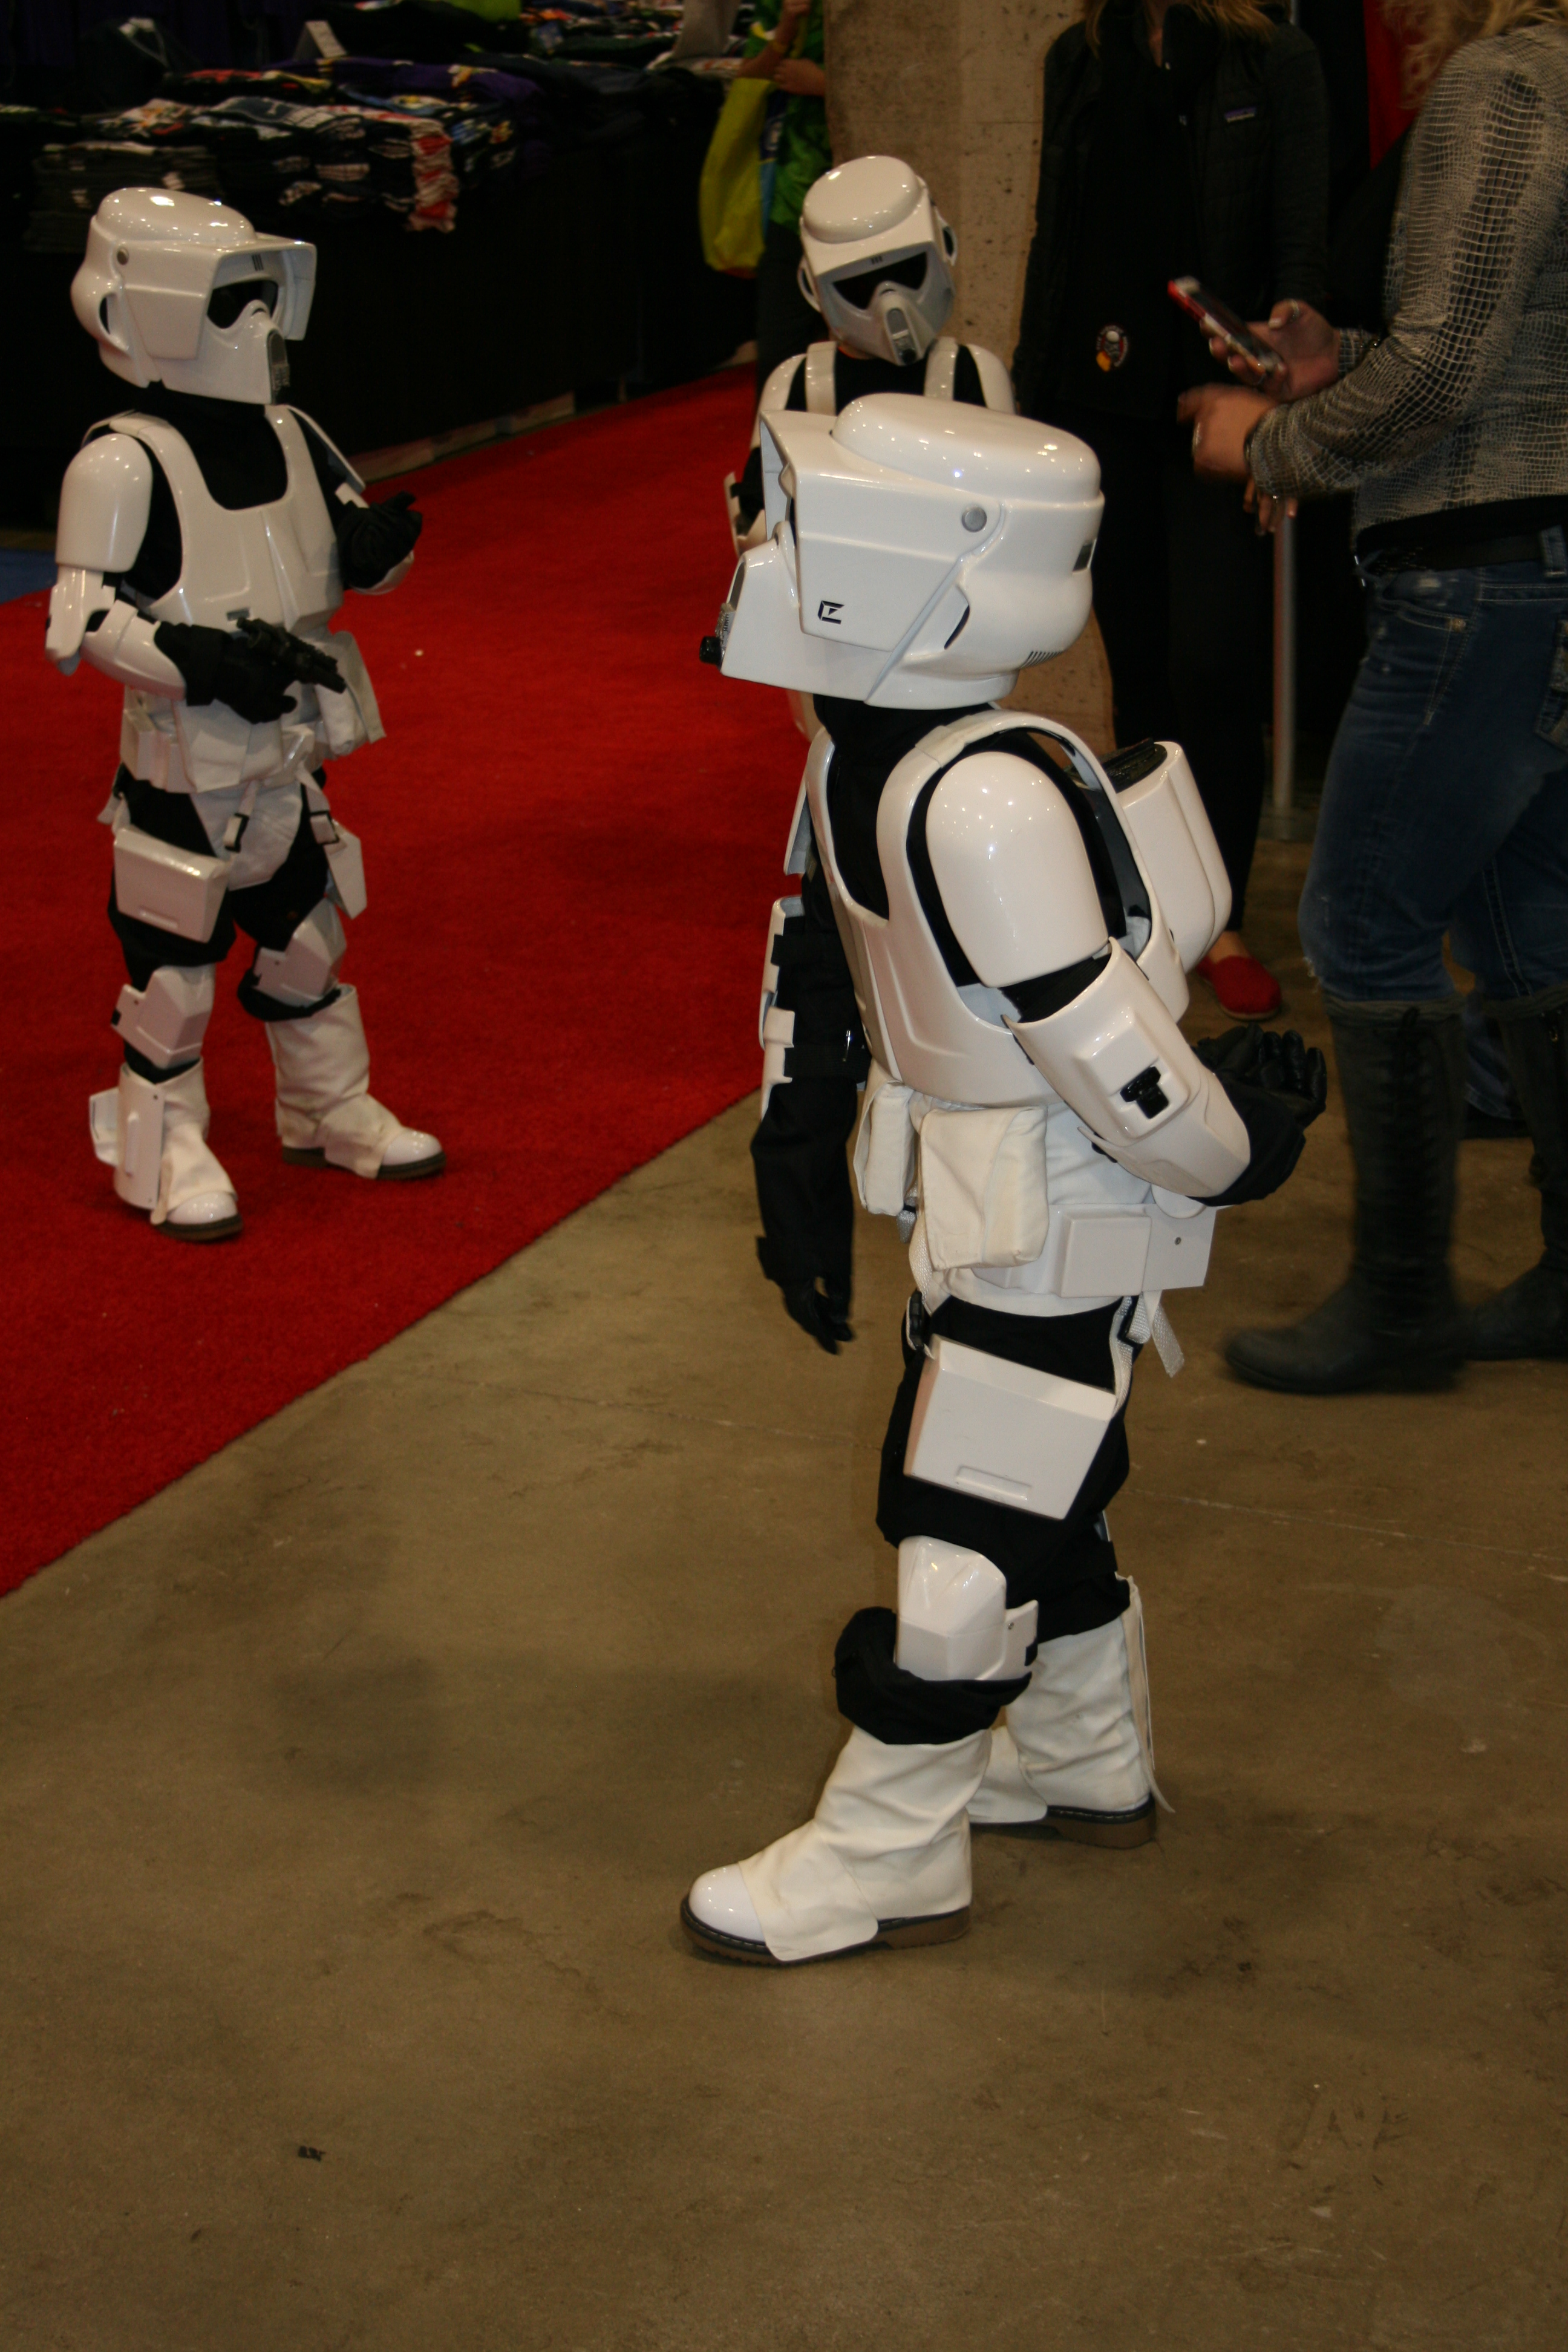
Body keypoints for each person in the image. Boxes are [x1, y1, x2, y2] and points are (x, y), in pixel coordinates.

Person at [681, 395, 1324, 1967]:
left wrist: (1234, 1152)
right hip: (982, 1192)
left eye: (806, 525)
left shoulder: (982, 798)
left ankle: (888, 1850)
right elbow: (820, 958)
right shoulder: (861, 754)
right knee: (1047, 1488)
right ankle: (1086, 1756)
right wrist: (793, 1148)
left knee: (967, 1516)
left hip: (1062, 1201)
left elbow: (1113, 1052)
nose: (772, 554)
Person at [1181, 0, 1568, 1385]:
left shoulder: (1504, 82)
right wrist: (1339, 360)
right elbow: (1513, 345)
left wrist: (1273, 441)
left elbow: (1448, 368)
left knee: (1361, 915)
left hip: (1478, 574)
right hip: (1531, 568)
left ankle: (1402, 1307)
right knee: (1528, 928)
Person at [47, 188, 441, 1243]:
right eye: (230, 298)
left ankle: (326, 1105)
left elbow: (352, 554)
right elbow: (82, 620)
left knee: (306, 939)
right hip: (184, 762)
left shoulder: (293, 434)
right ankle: (163, 1149)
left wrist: (377, 552)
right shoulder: (121, 462)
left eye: (265, 292)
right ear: (144, 308)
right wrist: (194, 659)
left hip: (291, 751)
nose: (258, 321)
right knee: (172, 970)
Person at [1012, 0, 1330, 1021]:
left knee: (1214, 663)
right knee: (1141, 662)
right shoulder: (1079, 56)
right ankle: (1161, 900)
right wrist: (1028, 411)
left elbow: (1301, 247)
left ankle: (1220, 911)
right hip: (1097, 397)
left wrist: (1285, 418)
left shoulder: (1270, 59)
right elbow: (1055, 235)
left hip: (1218, 407)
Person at [728, 154, 1016, 552]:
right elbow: (756, 530)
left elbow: (1012, 512)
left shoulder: (973, 372)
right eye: (862, 286)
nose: (889, 304)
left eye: (906, 273)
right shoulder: (797, 383)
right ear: (816, 289)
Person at [734, 0, 829, 401]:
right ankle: (773, 442)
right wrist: (786, 29)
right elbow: (747, 78)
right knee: (779, 358)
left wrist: (822, 84)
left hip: (857, 194)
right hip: (790, 197)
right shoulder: (777, 6)